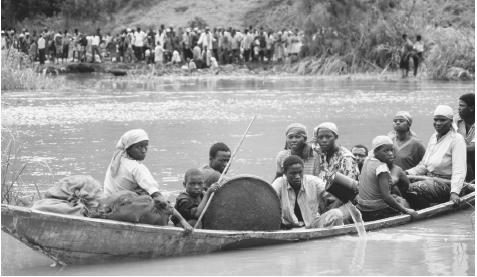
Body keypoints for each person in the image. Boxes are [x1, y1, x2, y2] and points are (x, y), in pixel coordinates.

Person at [103, 129, 193, 231]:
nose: (144, 150)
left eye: (146, 146)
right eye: (139, 146)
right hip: (125, 211)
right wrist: (182, 221)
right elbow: (159, 198)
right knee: (161, 207)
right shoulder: (136, 168)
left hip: (109, 208)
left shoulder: (115, 162)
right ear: (128, 148)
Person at [405, 105, 467, 209]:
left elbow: (459, 170)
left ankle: (422, 209)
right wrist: (406, 173)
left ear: (450, 121)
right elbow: (424, 165)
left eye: (442, 120)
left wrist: (455, 192)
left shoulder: (457, 139)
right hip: (429, 179)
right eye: (435, 120)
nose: (438, 123)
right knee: (400, 184)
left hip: (447, 184)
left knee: (411, 189)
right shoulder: (433, 137)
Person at [271, 155, 345, 229]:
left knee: (337, 214)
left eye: (300, 172)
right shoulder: (279, 183)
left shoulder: (313, 181)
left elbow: (332, 195)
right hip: (288, 227)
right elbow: (269, 199)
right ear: (285, 173)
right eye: (293, 173)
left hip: (313, 224)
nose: (297, 176)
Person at [356, 136, 417, 222]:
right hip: (377, 211)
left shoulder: (367, 160)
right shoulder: (382, 168)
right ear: (376, 151)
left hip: (362, 209)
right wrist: (406, 210)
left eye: (391, 150)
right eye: (386, 151)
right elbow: (386, 197)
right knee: (404, 204)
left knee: (397, 197)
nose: (390, 153)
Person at [455, 93, 475, 181]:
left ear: (472, 108)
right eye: (459, 105)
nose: (458, 108)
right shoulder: (456, 120)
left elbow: (473, 147)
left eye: (462, 106)